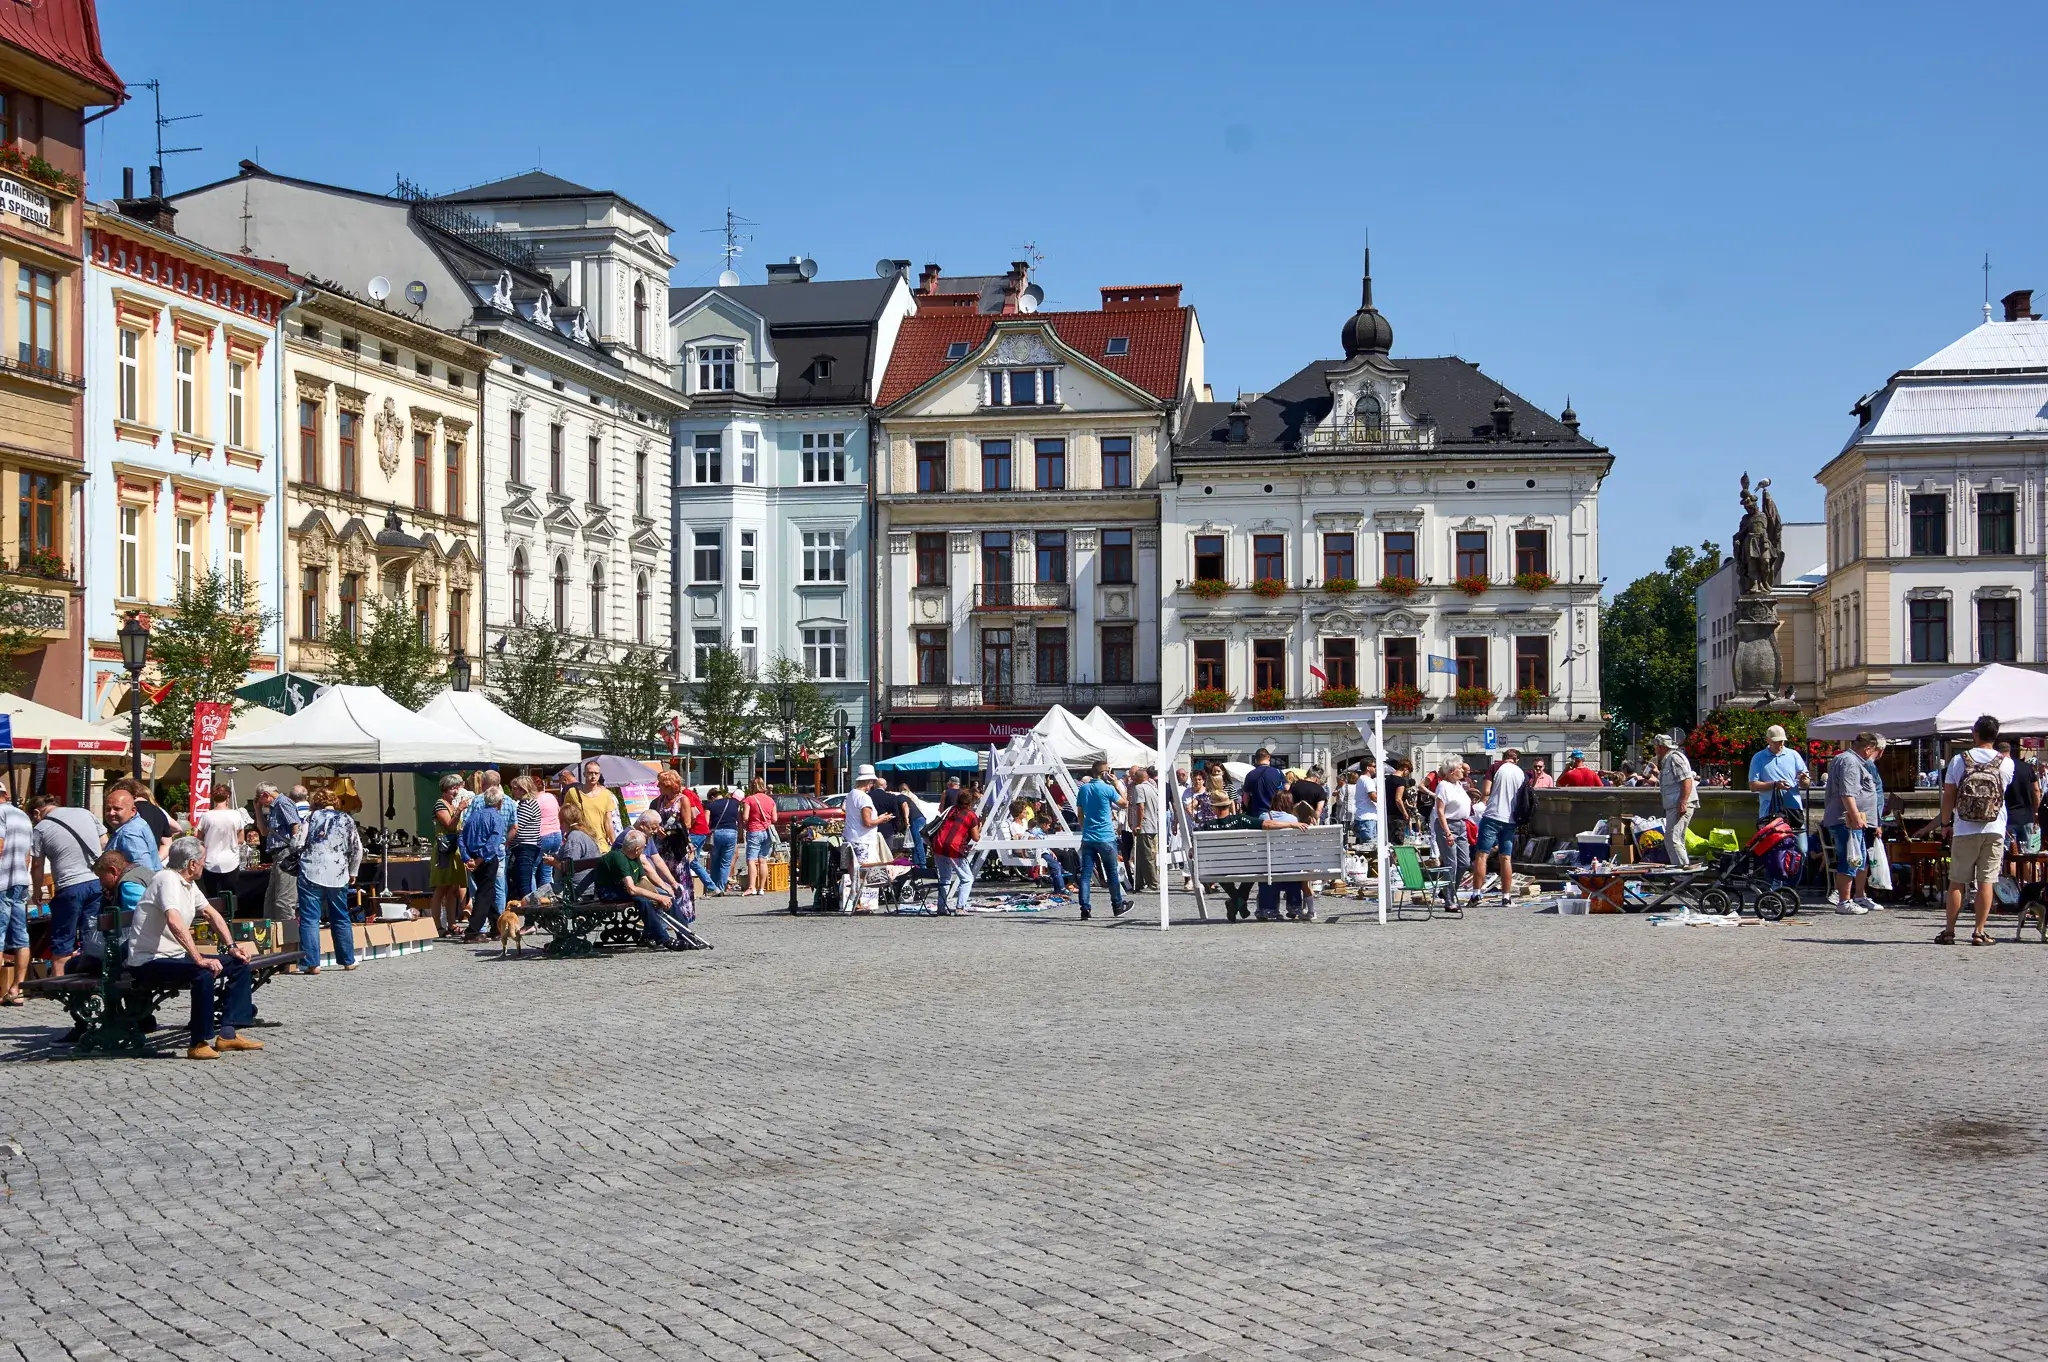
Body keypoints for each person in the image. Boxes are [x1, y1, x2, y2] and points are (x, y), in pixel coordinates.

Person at [127, 837, 264, 1060]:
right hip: (149, 960)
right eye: (203, 860)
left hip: (174, 956)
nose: (204, 864)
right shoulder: (166, 880)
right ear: (192, 864)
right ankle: (198, 1042)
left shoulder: (188, 884)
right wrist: (198, 958)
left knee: (239, 963)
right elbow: (174, 920)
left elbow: (210, 913)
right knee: (203, 972)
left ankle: (228, 1034)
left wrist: (232, 947)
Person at [1940, 714, 2012, 947]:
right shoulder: (2006, 763)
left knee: (1957, 881)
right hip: (1994, 827)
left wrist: (1945, 824)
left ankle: (1949, 932)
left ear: (1975, 733)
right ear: (1996, 735)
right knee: (1986, 881)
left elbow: (1949, 796)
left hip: (1964, 827)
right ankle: (1979, 932)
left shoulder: (1959, 760)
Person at [29, 792, 104, 979]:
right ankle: (92, 982)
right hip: (97, 883)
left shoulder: (41, 828)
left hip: (69, 887)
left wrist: (37, 891)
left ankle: (60, 984)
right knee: (92, 937)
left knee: (63, 941)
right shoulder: (85, 813)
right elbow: (104, 842)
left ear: (37, 812)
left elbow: (37, 865)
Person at [295, 787, 361, 974]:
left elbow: (298, 842)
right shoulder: (347, 819)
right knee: (340, 916)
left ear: (316, 802)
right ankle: (348, 960)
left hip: (311, 871)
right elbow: (357, 848)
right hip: (338, 873)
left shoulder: (310, 818)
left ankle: (312, 964)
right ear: (335, 801)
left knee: (310, 919)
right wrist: (353, 871)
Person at [1823, 732, 1883, 915]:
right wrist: (1855, 816)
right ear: (1868, 749)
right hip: (1846, 821)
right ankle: (1844, 901)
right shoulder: (1850, 761)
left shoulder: (1847, 759)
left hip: (1849, 820)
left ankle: (1850, 898)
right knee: (1850, 858)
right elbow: (1847, 792)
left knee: (1855, 858)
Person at [593, 830, 679, 946]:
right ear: (637, 849)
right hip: (609, 892)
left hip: (623, 888)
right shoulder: (619, 858)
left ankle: (686, 936)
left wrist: (659, 894)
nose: (645, 849)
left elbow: (643, 879)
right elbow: (632, 889)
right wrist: (658, 897)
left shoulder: (634, 856)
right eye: (644, 847)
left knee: (666, 896)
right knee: (643, 900)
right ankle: (663, 939)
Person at [1074, 759, 1127, 920]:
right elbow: (1124, 803)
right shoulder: (1107, 788)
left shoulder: (1083, 789)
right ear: (1104, 773)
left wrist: (1085, 830)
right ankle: (1117, 905)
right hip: (1105, 836)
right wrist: (1117, 784)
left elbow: (1080, 814)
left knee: (1086, 874)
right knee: (1111, 873)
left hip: (1088, 837)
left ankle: (1084, 908)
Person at [459, 779, 510, 941]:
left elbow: (461, 837)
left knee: (488, 891)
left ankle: (496, 927)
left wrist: (468, 857)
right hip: (486, 860)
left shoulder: (473, 816)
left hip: (474, 857)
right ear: (500, 802)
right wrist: (478, 860)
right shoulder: (497, 818)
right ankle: (473, 931)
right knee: (484, 893)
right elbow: (493, 844)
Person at [1253, 798, 1318, 921]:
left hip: (1270, 866)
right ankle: (1294, 906)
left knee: (1269, 869)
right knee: (1292, 865)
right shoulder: (1293, 819)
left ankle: (1267, 909)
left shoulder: (1263, 816)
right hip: (1291, 867)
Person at [1473, 748, 1524, 900]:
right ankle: (1506, 897)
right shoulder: (1521, 773)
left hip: (1492, 816)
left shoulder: (1495, 767)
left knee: (1482, 855)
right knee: (1506, 858)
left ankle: (1476, 894)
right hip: (1510, 819)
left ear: (1503, 757)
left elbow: (1486, 791)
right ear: (1517, 760)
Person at [1747, 724, 1810, 847]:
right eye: (1775, 742)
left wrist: (1804, 780)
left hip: (1794, 811)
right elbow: (1753, 786)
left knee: (1802, 849)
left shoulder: (1793, 755)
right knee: (1773, 850)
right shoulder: (1758, 758)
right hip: (1770, 813)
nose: (1779, 744)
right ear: (1768, 740)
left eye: (1781, 741)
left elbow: (1806, 783)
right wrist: (1775, 784)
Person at [191, 786, 253, 904]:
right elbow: (241, 839)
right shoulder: (236, 815)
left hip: (210, 861)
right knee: (230, 897)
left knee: (211, 898)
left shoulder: (206, 816)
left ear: (212, 798)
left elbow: (198, 839)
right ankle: (230, 914)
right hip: (231, 861)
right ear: (228, 797)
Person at [428, 774, 471, 935]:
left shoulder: (452, 804)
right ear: (445, 789)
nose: (456, 791)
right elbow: (450, 825)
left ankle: (451, 924)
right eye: (453, 788)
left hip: (455, 850)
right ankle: (437, 925)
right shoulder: (440, 804)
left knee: (453, 888)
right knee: (441, 888)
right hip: (444, 851)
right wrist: (460, 809)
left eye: (457, 787)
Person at [927, 791, 981, 914]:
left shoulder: (951, 810)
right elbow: (976, 837)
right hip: (954, 848)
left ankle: (941, 907)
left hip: (938, 846)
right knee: (967, 879)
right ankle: (960, 907)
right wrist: (980, 827)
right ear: (971, 802)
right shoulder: (971, 815)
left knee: (944, 879)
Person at [1652, 733, 1700, 869]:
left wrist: (1683, 802)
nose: (1655, 750)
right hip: (1675, 804)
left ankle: (1683, 875)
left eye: (1656, 747)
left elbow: (1686, 780)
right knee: (1676, 839)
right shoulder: (1669, 759)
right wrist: (1658, 774)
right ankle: (1683, 872)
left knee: (1672, 838)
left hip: (1679, 804)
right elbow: (1674, 781)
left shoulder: (1675, 757)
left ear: (1662, 747)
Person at [1433, 755, 1474, 915]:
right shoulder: (1443, 786)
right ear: (1451, 771)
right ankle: (1450, 901)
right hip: (1447, 825)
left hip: (1461, 824)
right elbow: (1440, 811)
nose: (1463, 771)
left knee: (1464, 862)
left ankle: (1447, 891)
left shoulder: (1458, 785)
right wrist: (1447, 833)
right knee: (1451, 863)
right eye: (1459, 768)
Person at [112, 776, 174, 864]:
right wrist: (154, 862)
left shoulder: (128, 812)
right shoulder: (158, 811)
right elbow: (167, 844)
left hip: (130, 865)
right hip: (150, 867)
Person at [549, 804, 604, 903]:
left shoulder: (574, 838)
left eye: (561, 821)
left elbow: (569, 868)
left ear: (565, 822)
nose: (560, 825)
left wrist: (553, 862)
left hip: (575, 890)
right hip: (590, 888)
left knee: (529, 899)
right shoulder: (587, 834)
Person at [1126, 765, 1164, 894]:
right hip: (1152, 824)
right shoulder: (1153, 788)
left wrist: (1138, 824)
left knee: (1147, 856)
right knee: (1141, 855)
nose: (1132, 779)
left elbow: (1140, 807)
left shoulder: (1139, 788)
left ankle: (1152, 884)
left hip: (1144, 826)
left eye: (1134, 777)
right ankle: (1139, 883)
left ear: (1139, 778)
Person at [506, 775, 544, 902]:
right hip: (526, 847)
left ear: (523, 790)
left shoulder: (527, 805)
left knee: (523, 882)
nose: (512, 791)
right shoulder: (526, 804)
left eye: (514, 788)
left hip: (526, 847)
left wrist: (506, 840)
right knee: (522, 880)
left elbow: (516, 827)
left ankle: (528, 910)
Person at [701, 785, 744, 893]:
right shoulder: (734, 803)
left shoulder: (710, 805)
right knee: (726, 863)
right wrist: (740, 834)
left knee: (715, 862)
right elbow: (739, 821)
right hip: (731, 833)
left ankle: (714, 888)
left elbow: (706, 822)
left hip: (716, 834)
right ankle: (721, 887)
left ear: (712, 797)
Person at [742, 777, 778, 896]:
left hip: (754, 831)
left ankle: (752, 887)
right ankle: (761, 888)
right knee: (763, 860)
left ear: (752, 786)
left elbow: (745, 817)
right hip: (767, 832)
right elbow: (774, 819)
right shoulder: (770, 800)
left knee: (751, 860)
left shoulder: (749, 799)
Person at [2001, 742, 2039, 854]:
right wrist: (2036, 812)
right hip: (2026, 816)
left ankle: (2010, 867)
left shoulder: (1999, 768)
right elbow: (2036, 790)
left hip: (2007, 817)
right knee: (2026, 854)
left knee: (2008, 854)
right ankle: (2025, 866)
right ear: (2010, 751)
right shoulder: (2026, 767)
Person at [571, 760, 622, 844]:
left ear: (599, 774)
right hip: (581, 843)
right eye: (590, 773)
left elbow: (608, 823)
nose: (593, 776)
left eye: (596, 773)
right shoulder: (573, 793)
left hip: (601, 844)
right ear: (584, 774)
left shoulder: (606, 795)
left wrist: (614, 845)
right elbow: (565, 815)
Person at [532, 770, 563, 888]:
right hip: (556, 834)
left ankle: (531, 897)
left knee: (532, 870)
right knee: (547, 869)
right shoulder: (551, 796)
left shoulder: (535, 800)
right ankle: (548, 895)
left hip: (543, 835)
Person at [898, 779, 929, 871]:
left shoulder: (903, 796)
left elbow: (905, 806)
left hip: (914, 820)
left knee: (917, 842)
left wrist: (906, 819)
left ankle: (922, 865)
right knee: (918, 842)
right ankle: (917, 864)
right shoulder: (913, 795)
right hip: (920, 818)